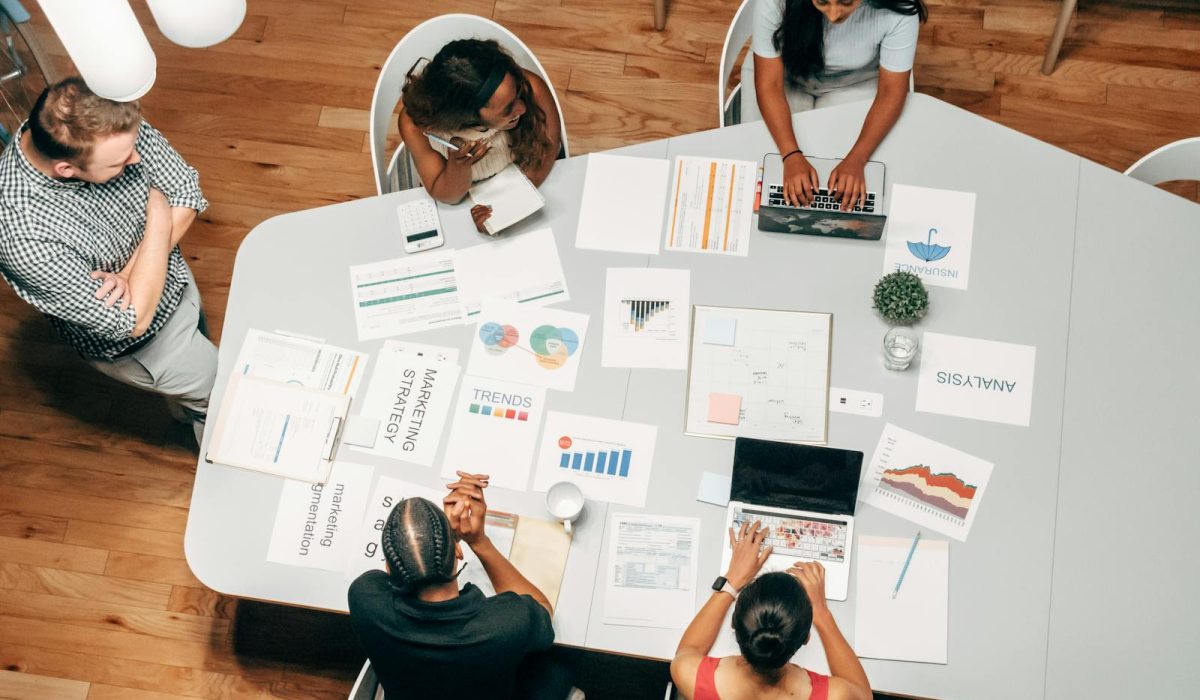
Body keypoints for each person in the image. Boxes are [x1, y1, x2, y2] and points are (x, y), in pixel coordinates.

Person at [0, 77, 214, 444]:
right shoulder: (22, 236)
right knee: (222, 400)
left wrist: (131, 272)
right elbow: (132, 319)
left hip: (176, 282)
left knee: (197, 384)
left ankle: (186, 408)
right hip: (149, 347)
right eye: (119, 163)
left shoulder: (102, 123)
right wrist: (159, 216)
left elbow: (185, 191)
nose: (136, 158)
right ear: (67, 169)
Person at [347, 471, 577, 700]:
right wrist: (478, 541)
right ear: (458, 552)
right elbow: (543, 610)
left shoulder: (365, 599)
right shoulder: (507, 624)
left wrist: (443, 542)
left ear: (388, 569)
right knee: (555, 666)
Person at [742, 0, 927, 212]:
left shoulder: (900, 10)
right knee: (760, 173)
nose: (833, 15)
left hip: (854, 81)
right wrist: (790, 154)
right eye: (822, 1)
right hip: (784, 76)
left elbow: (891, 92)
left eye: (846, 2)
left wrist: (857, 158)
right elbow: (770, 85)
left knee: (861, 176)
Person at [670, 521, 872, 700]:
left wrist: (732, 581)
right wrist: (821, 613)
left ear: (733, 623)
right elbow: (862, 694)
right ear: (806, 638)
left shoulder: (687, 675)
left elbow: (688, 649)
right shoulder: (837, 696)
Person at [398, 38, 562, 232]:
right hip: (465, 201)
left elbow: (546, 151)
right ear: (467, 119)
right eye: (508, 109)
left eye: (518, 92)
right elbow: (448, 196)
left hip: (527, 179)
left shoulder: (531, 86)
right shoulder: (415, 127)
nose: (523, 108)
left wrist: (506, 210)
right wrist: (459, 166)